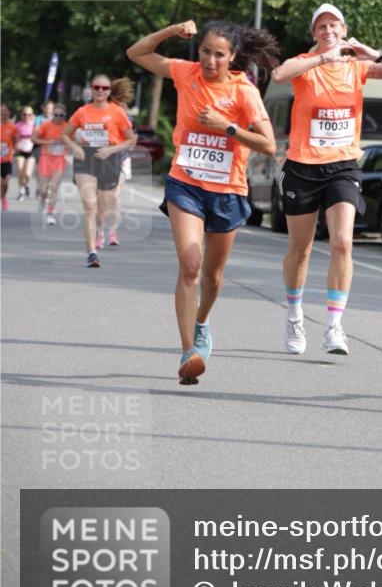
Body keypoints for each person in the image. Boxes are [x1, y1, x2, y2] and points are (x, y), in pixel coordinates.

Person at [127, 19, 279, 385]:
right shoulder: (184, 72)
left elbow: (269, 145)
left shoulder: (244, 91)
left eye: (219, 55)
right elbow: (136, 53)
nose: (210, 60)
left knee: (212, 275)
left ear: (233, 56)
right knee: (190, 264)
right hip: (186, 183)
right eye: (206, 52)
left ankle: (202, 322)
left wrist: (227, 127)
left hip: (227, 191)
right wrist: (170, 31)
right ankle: (187, 353)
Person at [271, 3, 382, 357]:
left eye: (334, 25)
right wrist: (323, 59)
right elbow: (278, 74)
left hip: (342, 166)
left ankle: (335, 327)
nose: (328, 31)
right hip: (302, 167)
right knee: (300, 250)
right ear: (314, 34)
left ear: (345, 29)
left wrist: (374, 53)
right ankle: (294, 315)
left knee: (342, 243)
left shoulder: (358, 67)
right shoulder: (306, 65)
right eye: (321, 27)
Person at [60, 76, 137, 267]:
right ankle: (92, 252)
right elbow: (64, 134)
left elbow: (131, 140)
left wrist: (111, 150)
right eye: (97, 87)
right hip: (86, 159)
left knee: (101, 211)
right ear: (92, 89)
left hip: (109, 160)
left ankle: (100, 228)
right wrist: (74, 148)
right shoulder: (82, 112)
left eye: (104, 88)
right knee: (89, 207)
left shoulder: (117, 112)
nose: (100, 91)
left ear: (109, 91)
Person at [98, 78, 136, 249]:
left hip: (121, 159)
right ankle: (99, 232)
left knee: (115, 195)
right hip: (103, 159)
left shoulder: (123, 113)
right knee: (103, 197)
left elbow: (131, 138)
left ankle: (112, 232)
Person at [33, 103, 68, 224]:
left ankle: (50, 213)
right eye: (56, 115)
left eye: (61, 115)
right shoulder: (46, 125)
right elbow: (34, 138)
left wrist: (65, 142)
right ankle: (42, 200)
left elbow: (74, 141)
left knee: (53, 187)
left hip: (59, 160)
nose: (58, 117)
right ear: (53, 115)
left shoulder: (68, 127)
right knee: (44, 190)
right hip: (45, 159)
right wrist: (47, 142)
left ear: (64, 116)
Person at [14, 106, 36, 199]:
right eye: (24, 114)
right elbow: (13, 139)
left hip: (31, 152)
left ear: (32, 116)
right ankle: (21, 191)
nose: (26, 116)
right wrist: (16, 145)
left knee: (27, 174)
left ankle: (25, 185)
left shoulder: (35, 126)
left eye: (29, 114)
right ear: (21, 115)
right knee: (20, 169)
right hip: (20, 151)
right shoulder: (17, 125)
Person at [1, 105, 18, 211]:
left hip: (7, 159)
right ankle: (2, 199)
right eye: (1, 111)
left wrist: (14, 151)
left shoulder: (12, 127)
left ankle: (3, 197)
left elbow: (15, 141)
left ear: (9, 113)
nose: (3, 113)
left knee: (6, 182)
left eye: (5, 111)